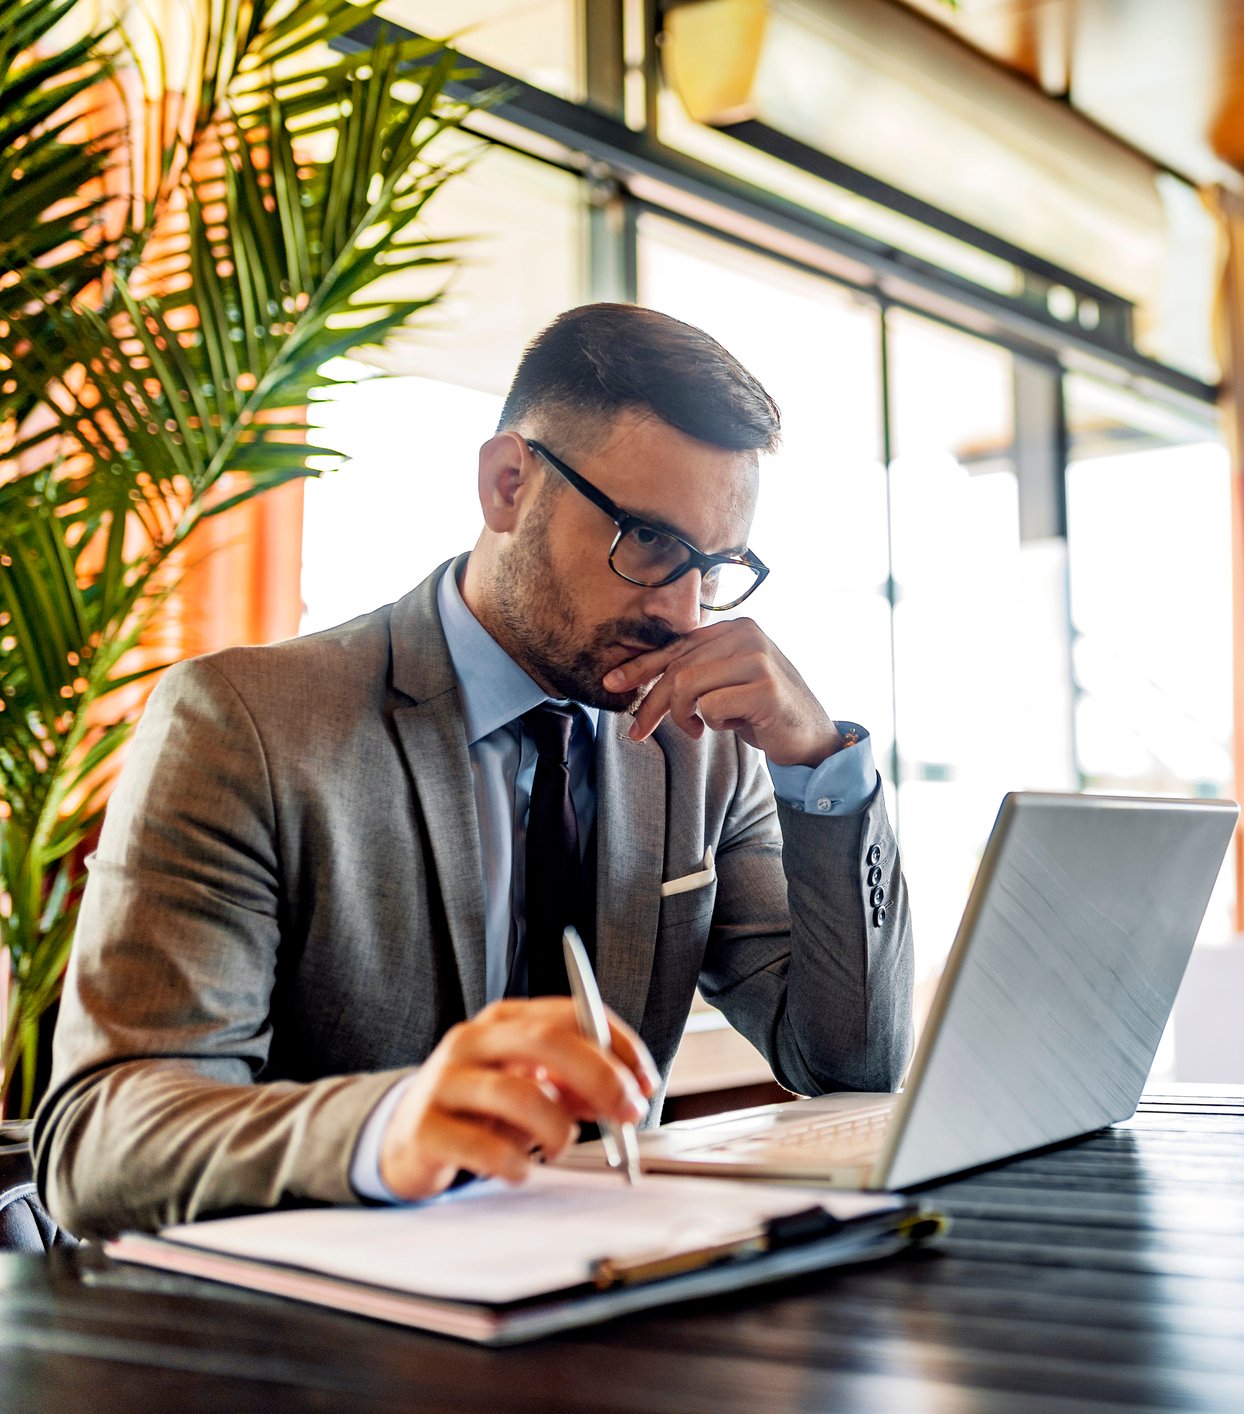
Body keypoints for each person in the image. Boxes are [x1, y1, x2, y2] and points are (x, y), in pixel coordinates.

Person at [35, 305, 913, 1238]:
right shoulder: (245, 724)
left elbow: (849, 1062)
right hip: (327, 1334)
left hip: (614, 1296)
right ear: (506, 484)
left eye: (714, 566)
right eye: (650, 544)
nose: (682, 611)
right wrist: (384, 1130)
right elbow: (100, 1146)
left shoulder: (704, 746)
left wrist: (819, 765)